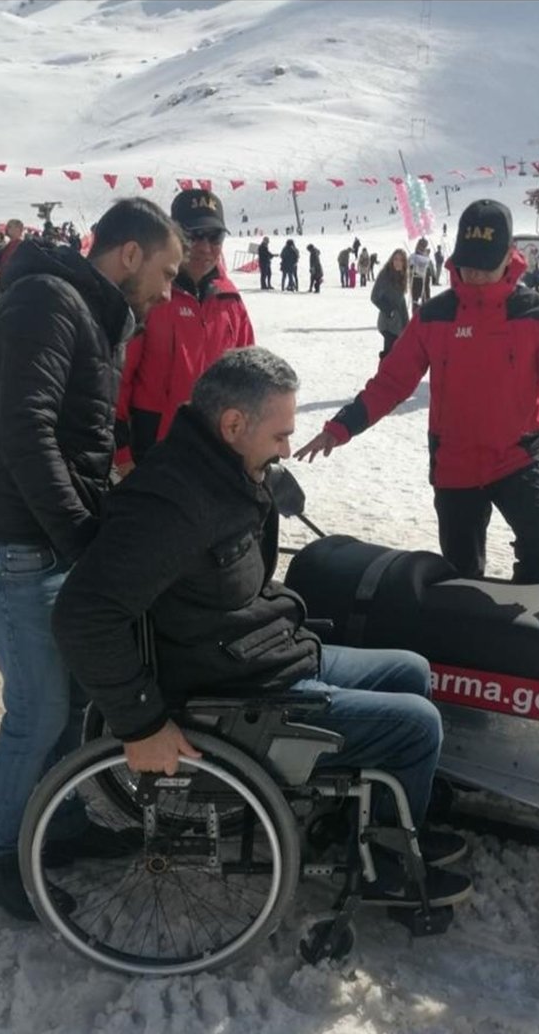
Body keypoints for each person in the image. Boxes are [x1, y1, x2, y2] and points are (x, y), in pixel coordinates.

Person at [52, 347, 472, 911]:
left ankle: (359, 825)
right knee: (417, 726)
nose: (285, 449)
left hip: (259, 650)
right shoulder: (171, 504)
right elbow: (84, 613)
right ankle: (384, 868)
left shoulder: (222, 471)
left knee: (410, 670)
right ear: (232, 425)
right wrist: (141, 722)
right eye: (279, 436)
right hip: (231, 688)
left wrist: (265, 492)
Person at [0, 197, 185, 921]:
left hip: (46, 539)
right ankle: (1, 862)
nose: (169, 290)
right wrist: (78, 537)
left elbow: (82, 439)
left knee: (75, 696)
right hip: (15, 543)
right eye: (166, 270)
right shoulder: (47, 304)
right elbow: (26, 434)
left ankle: (58, 823)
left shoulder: (89, 312)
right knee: (39, 705)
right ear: (128, 255)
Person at [295, 199, 539, 585]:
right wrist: (341, 427)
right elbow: (391, 382)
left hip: (518, 458)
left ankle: (520, 636)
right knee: (461, 576)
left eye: (485, 264)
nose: (474, 274)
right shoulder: (436, 315)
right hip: (456, 463)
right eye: (467, 262)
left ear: (509, 256)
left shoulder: (537, 314)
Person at [114, 189, 255, 473]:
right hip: (152, 451)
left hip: (215, 450)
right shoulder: (149, 295)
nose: (205, 247)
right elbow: (118, 379)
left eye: (214, 236)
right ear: (174, 238)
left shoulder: (230, 301)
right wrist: (122, 453)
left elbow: (249, 381)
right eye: (194, 235)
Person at [370, 247, 410, 359]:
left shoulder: (401, 277)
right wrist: (389, 311)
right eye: (395, 259)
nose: (397, 262)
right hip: (388, 324)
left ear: (404, 263)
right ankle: (382, 376)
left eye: (401, 260)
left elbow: (401, 303)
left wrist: (407, 324)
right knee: (389, 356)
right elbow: (374, 297)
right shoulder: (385, 275)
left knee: (397, 356)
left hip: (399, 325)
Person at [408, 237, 434, 310]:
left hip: (424, 281)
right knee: (416, 302)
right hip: (416, 281)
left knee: (425, 300)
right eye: (420, 246)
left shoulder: (426, 258)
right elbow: (410, 267)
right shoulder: (414, 256)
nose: (421, 248)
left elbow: (430, 269)